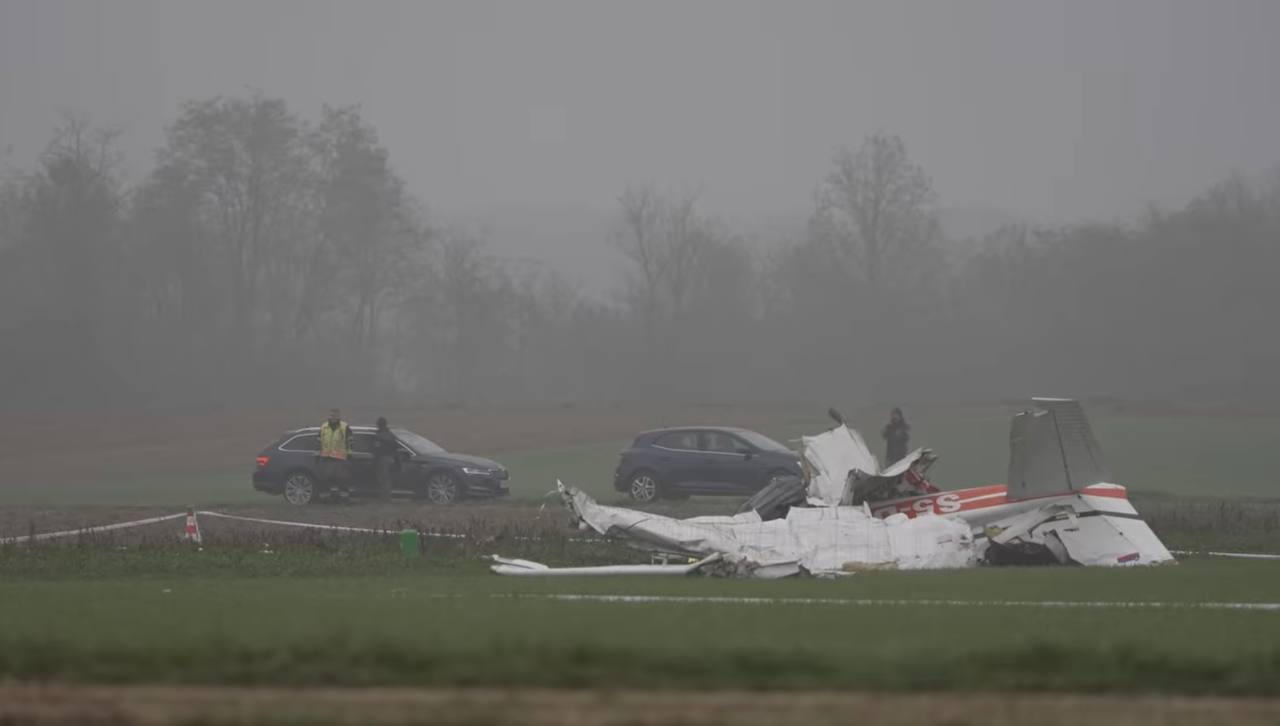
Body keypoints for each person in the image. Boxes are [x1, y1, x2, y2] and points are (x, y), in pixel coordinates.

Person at [317, 408, 352, 501]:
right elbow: (318, 442)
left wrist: (349, 455)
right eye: (332, 415)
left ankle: (343, 499)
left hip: (340, 459)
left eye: (336, 416)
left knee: (342, 480)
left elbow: (350, 443)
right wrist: (318, 455)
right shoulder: (323, 427)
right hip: (326, 458)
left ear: (339, 416)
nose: (334, 417)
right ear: (329, 416)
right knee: (326, 480)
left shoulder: (345, 427)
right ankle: (325, 499)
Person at [372, 416, 398, 500]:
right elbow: (395, 447)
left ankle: (384, 497)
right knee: (387, 479)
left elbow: (376, 448)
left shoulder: (378, 436)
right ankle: (386, 496)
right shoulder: (390, 435)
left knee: (383, 479)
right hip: (390, 458)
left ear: (379, 425)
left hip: (382, 459)